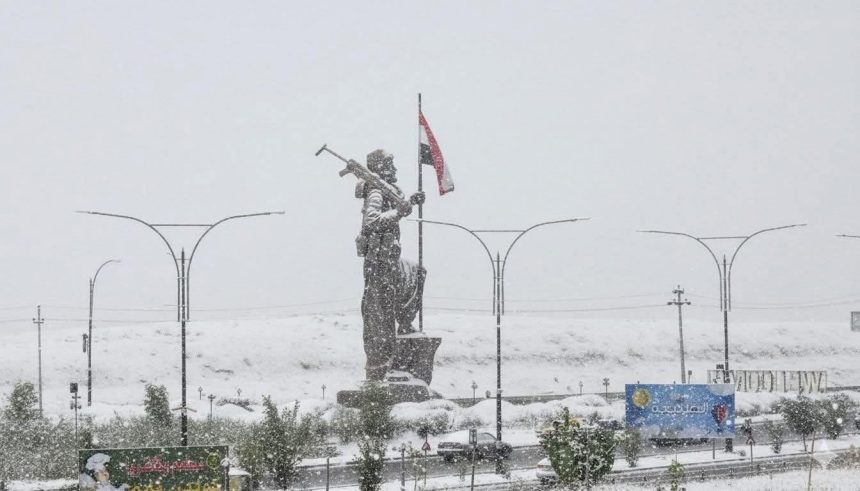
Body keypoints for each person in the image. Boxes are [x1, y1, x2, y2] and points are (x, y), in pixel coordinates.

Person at [357, 149, 425, 381]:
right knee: (381, 314)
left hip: (388, 260)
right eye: (390, 165)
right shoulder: (376, 192)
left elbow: (397, 209)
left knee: (417, 273)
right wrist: (399, 212)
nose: (395, 169)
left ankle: (405, 325)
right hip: (379, 262)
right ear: (380, 168)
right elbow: (372, 222)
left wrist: (409, 203)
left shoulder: (388, 191)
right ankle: (381, 368)